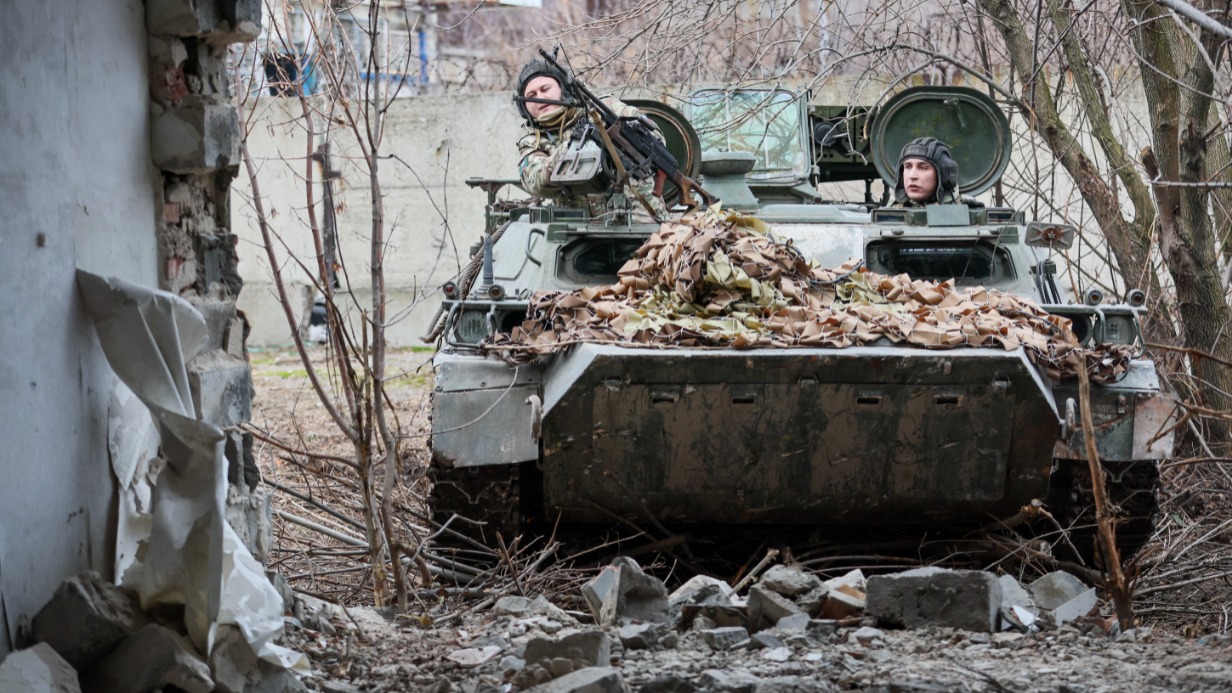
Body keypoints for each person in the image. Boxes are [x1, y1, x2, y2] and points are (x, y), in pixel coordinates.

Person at [514, 58, 668, 220]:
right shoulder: (533, 141)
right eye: (531, 95)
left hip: (641, 221)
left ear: (562, 88)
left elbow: (656, 137)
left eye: (545, 89)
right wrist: (567, 151)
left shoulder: (605, 108)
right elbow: (536, 183)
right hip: (580, 234)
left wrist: (614, 141)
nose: (540, 97)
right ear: (524, 106)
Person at [893, 136, 960, 206]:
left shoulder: (963, 212)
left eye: (923, 168)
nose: (912, 176)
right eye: (908, 167)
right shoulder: (891, 211)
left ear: (943, 176)